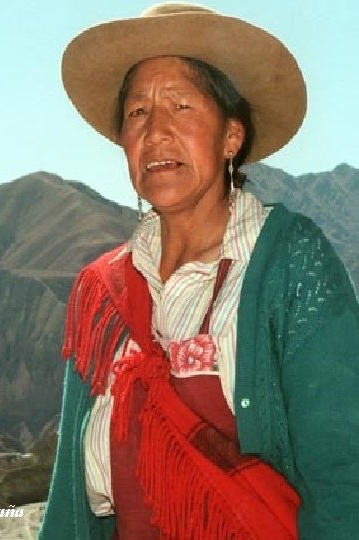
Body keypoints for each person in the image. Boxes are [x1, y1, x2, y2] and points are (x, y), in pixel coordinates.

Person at [39, 3, 359, 539]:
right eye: (138, 113)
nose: (156, 131)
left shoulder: (289, 264)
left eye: (181, 105)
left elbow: (343, 477)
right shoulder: (101, 295)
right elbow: (70, 500)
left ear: (231, 137)